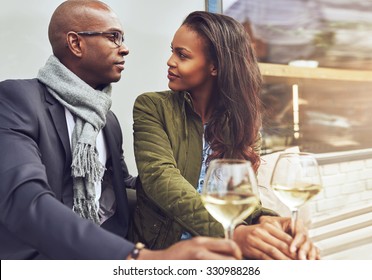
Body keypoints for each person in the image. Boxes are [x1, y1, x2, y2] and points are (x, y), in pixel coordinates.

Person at [0, 0, 243, 260]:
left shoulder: (108, 121)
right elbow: (25, 200)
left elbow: (117, 191)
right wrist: (137, 257)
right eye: (113, 37)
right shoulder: (17, 99)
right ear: (76, 43)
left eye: (123, 38)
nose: (125, 48)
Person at [130, 11, 320, 260]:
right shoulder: (152, 106)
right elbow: (162, 181)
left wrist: (273, 223)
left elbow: (241, 199)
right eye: (173, 51)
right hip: (165, 250)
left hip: (225, 250)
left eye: (182, 55)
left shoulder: (243, 125)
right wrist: (232, 234)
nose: (170, 61)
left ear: (215, 67)